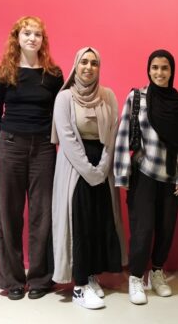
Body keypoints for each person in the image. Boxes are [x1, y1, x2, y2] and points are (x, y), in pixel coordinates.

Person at [0, 16, 63, 300]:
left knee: (42, 214)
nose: (32, 38)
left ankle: (41, 279)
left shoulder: (53, 75)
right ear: (17, 38)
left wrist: (41, 137)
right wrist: (11, 137)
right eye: (27, 33)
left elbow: (60, 112)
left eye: (38, 34)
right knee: (8, 212)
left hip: (44, 148)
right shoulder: (4, 73)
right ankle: (13, 280)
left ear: (43, 41)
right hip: (10, 145)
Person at [114, 49, 178, 305]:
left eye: (165, 68)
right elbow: (124, 134)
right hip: (144, 173)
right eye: (155, 67)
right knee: (143, 228)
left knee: (166, 228)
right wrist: (122, 174)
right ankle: (136, 277)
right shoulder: (137, 98)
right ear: (148, 69)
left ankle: (157, 272)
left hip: (170, 175)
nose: (160, 72)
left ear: (172, 71)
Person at [51, 47, 126, 310]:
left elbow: (113, 134)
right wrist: (90, 170)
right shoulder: (64, 98)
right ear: (76, 65)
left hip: (102, 168)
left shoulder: (108, 96)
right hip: (75, 168)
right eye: (84, 62)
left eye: (94, 63)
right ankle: (80, 287)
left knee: (99, 220)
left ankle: (93, 275)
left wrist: (103, 167)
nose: (89, 67)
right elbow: (68, 139)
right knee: (79, 224)